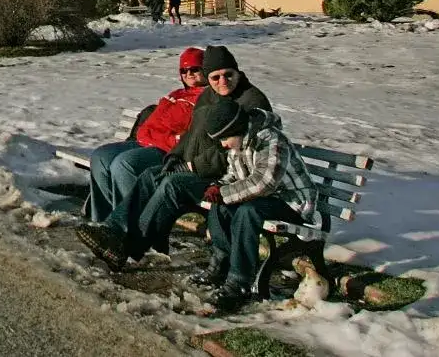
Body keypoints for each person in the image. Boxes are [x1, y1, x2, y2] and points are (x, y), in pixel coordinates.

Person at [76, 45, 272, 272]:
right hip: (197, 166)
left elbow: (235, 151)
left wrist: (192, 165)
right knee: (151, 176)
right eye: (215, 77)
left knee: (171, 184)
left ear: (238, 72)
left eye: (228, 75)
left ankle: (129, 246)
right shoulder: (208, 95)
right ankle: (113, 229)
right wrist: (174, 155)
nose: (222, 81)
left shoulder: (252, 101)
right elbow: (192, 134)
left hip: (228, 176)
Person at [192, 101, 317, 313]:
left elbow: (264, 182)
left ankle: (239, 282)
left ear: (236, 128)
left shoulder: (270, 140)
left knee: (247, 212)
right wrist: (219, 186)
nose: (223, 144)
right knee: (220, 208)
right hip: (263, 199)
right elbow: (235, 175)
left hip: (292, 202)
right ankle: (221, 265)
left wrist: (225, 193)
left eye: (224, 138)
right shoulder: (239, 143)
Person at [86, 47, 207, 222]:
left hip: (168, 151)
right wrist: (149, 135)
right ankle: (102, 220)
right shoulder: (177, 94)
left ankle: (127, 225)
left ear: (205, 69)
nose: (189, 74)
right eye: (184, 70)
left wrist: (158, 137)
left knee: (124, 164)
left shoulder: (207, 99)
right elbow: (149, 124)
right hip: (146, 141)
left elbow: (187, 138)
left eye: (194, 69)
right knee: (101, 156)